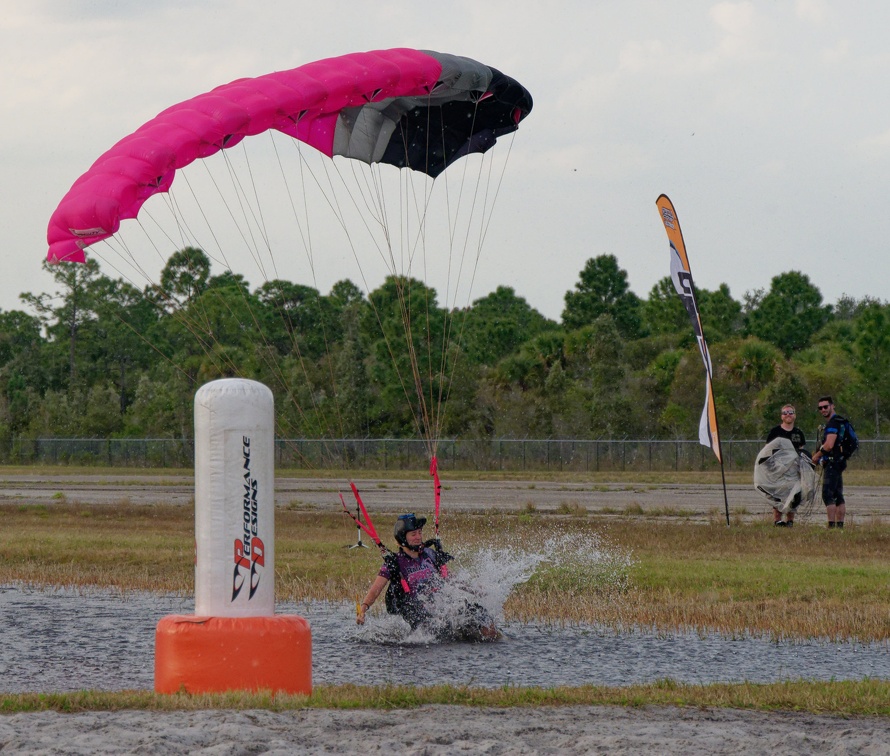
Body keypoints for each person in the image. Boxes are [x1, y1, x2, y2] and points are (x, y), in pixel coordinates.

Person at [356, 513, 497, 640]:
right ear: (402, 538)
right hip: (418, 613)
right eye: (413, 534)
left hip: (441, 606)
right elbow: (376, 589)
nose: (418, 537)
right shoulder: (394, 563)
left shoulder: (430, 554)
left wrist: (475, 590)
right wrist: (363, 609)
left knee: (482, 616)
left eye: (419, 532)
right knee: (438, 632)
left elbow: (450, 578)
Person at [765, 404, 807, 527]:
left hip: (794, 469)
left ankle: (790, 521)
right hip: (779, 468)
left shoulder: (798, 433)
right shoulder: (775, 432)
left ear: (795, 415)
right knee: (778, 494)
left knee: (794, 494)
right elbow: (768, 450)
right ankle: (777, 520)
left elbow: (801, 450)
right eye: (785, 412)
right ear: (781, 416)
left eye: (790, 412)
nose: (788, 414)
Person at [811, 396, 846, 528]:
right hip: (840, 461)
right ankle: (840, 525)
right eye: (820, 408)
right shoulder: (840, 421)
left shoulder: (832, 423)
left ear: (832, 406)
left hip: (832, 462)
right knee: (838, 494)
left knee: (828, 494)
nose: (823, 409)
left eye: (826, 407)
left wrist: (817, 456)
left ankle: (831, 525)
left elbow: (829, 445)